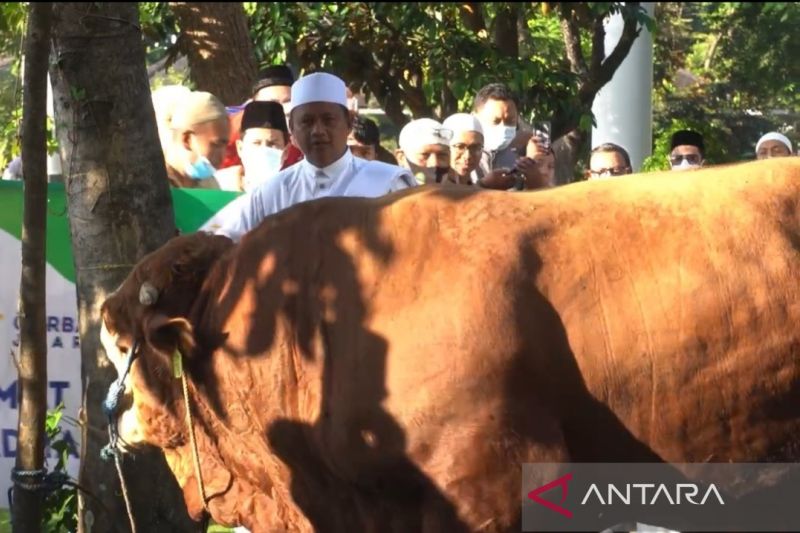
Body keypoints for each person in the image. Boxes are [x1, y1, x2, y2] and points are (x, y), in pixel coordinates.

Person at [215, 72, 415, 242]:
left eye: (328, 120)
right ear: (292, 128)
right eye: (307, 122)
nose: (318, 131)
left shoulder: (389, 182)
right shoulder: (269, 193)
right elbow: (222, 242)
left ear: (348, 123)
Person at [216, 101, 289, 192]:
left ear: (286, 151)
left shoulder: (297, 190)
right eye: (256, 143)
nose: (264, 150)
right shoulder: (218, 186)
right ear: (240, 149)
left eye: (272, 143)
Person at [163, 91, 229, 188]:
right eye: (216, 145)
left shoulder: (210, 186)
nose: (222, 156)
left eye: (225, 146)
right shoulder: (151, 182)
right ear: (187, 140)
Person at [395, 118, 453, 185]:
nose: (435, 163)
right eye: (424, 155)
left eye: (442, 155)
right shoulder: (386, 192)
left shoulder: (459, 193)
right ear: (401, 157)